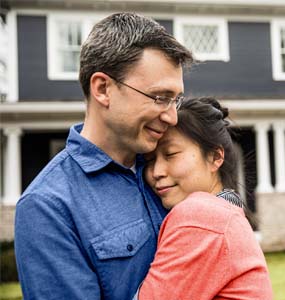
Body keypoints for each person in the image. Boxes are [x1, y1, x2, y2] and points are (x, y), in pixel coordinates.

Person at [14, 13, 193, 299]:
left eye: (176, 99)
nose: (172, 117)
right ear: (103, 89)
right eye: (160, 97)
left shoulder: (170, 167)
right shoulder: (48, 207)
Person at [137, 97, 273, 299]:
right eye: (149, 160)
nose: (156, 171)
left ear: (215, 157)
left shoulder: (201, 214)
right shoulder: (227, 212)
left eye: (171, 154)